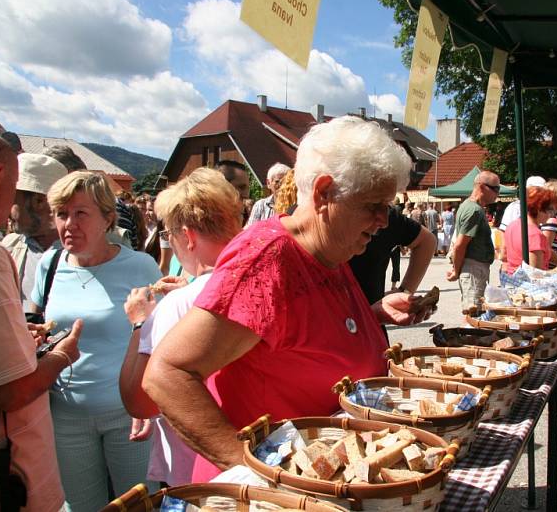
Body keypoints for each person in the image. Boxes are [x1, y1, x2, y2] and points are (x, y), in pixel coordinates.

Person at [143, 116, 428, 483]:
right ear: (324, 193)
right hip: (277, 496)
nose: (383, 221)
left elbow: (301, 335)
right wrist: (254, 471)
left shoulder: (329, 249)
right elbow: (168, 374)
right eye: (374, 205)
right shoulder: (269, 258)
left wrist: (371, 316)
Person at [32, 171, 162, 510]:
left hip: (128, 416)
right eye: (62, 214)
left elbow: (159, 340)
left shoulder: (141, 266)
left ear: (107, 218)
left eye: (80, 213)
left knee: (138, 505)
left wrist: (151, 402)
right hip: (66, 416)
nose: (69, 224)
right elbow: (33, 324)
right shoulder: (49, 264)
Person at [120, 168, 243, 487]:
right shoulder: (255, 284)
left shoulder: (174, 306)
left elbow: (139, 401)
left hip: (195, 471)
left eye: (169, 235)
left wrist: (141, 322)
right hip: (251, 453)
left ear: (187, 236)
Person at [0, 133, 82, 512]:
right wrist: (62, 355)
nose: (14, 208)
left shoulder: (75, 254)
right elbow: (12, 391)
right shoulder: (2, 252)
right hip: (14, 446)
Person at [2, 153, 67, 311]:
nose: (6, 212)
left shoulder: (86, 251)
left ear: (39, 201)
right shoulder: (9, 246)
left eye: (12, 201)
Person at [349, 206, 436, 306]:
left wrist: (405, 292)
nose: (384, 221)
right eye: (374, 203)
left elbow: (426, 241)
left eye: (386, 204)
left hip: (370, 318)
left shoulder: (388, 217)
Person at [446, 171, 500, 314]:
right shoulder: (474, 210)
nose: (498, 193)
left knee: (476, 313)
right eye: (495, 189)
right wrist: (457, 271)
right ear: (482, 187)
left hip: (474, 269)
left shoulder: (471, 207)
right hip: (473, 270)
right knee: (473, 315)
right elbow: (459, 245)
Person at [502, 186, 557, 273]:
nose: (551, 214)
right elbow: (536, 273)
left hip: (512, 279)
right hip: (527, 284)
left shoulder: (513, 225)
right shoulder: (535, 234)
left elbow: (503, 256)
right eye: (549, 210)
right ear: (539, 209)